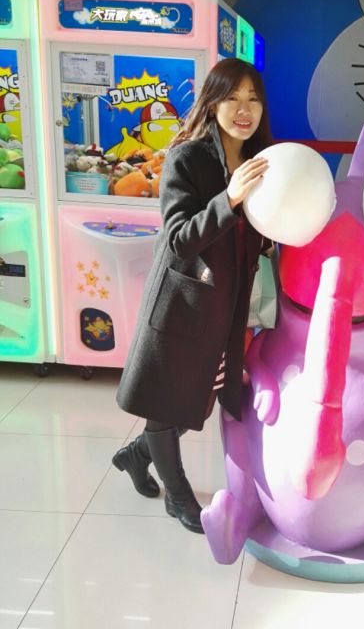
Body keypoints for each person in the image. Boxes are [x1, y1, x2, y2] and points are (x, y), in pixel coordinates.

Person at [112, 58, 272, 534]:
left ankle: (136, 455)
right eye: (232, 98)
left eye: (253, 100)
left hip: (226, 307)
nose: (244, 110)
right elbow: (180, 237)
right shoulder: (187, 157)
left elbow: (254, 234)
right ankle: (178, 495)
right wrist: (231, 198)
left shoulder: (258, 161)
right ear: (212, 103)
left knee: (196, 399)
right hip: (183, 304)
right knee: (168, 403)